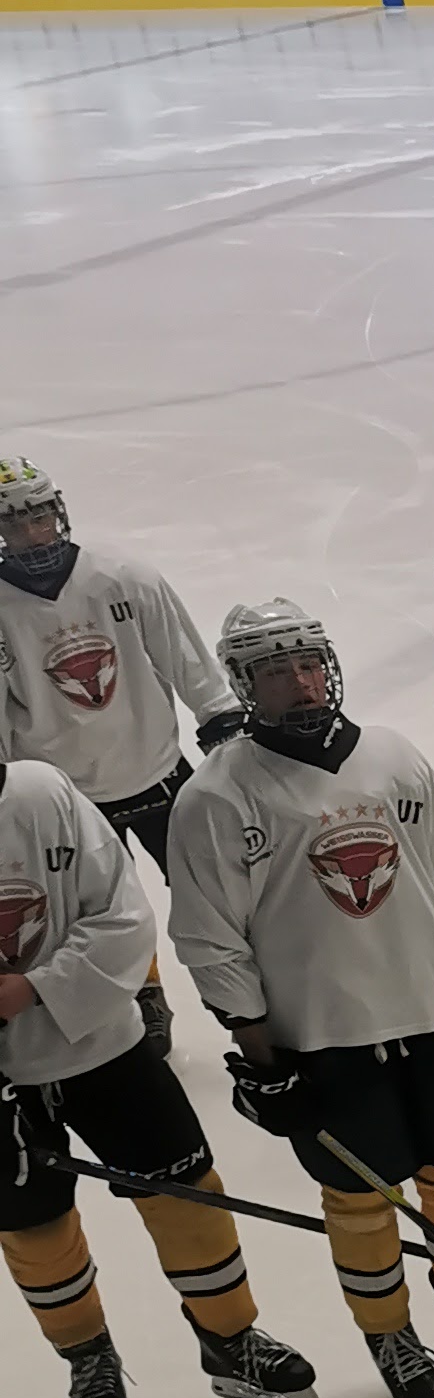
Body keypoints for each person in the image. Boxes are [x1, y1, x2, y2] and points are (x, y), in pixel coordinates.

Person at [167, 599, 434, 1398]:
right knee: (360, 1197)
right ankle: (389, 1332)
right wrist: (262, 1057)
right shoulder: (217, 795)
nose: (301, 683)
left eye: (309, 663)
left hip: (430, 1013)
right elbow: (212, 937)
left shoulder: (391, 756)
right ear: (244, 685)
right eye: (276, 671)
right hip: (324, 1037)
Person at [0, 755, 316, 1398]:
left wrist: (34, 987)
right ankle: (87, 1354)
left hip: (104, 1049)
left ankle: (229, 1341)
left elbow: (122, 913)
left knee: (186, 1192)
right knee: (32, 1225)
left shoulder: (41, 792)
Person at [0, 452, 243, 1056]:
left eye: (38, 517)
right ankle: (143, 996)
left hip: (160, 775)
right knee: (97, 916)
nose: (31, 534)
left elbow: (188, 662)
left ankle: (246, 991)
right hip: (64, 801)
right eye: (11, 523)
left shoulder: (123, 577)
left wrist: (220, 719)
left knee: (219, 897)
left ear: (58, 512)